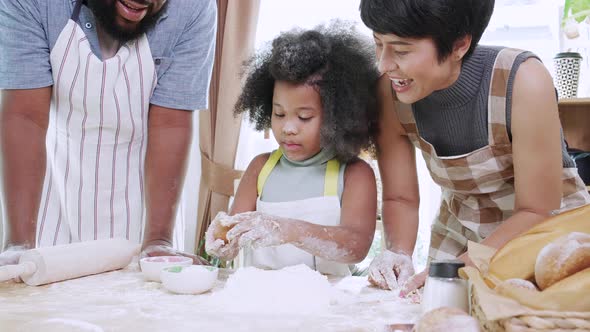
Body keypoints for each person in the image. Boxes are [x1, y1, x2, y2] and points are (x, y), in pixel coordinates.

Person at [359, 0, 590, 294]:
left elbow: (537, 210)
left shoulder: (523, 80)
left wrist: (460, 269)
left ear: (459, 45)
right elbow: (401, 198)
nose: (384, 63)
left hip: (544, 233)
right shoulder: (389, 92)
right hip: (460, 229)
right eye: (378, 43)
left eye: (401, 50)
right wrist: (398, 253)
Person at [0, 0, 216, 265]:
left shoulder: (193, 8)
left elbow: (170, 124)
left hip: (147, 210)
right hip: (51, 196)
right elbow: (26, 117)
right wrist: (19, 243)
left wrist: (159, 240)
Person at [205, 23, 380, 276]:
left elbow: (356, 247)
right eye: (279, 113)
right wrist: (223, 242)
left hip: (329, 303)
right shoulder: (260, 168)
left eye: (304, 117)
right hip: (261, 301)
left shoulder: (354, 174)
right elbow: (233, 236)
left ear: (338, 117)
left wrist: (288, 230)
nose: (288, 128)